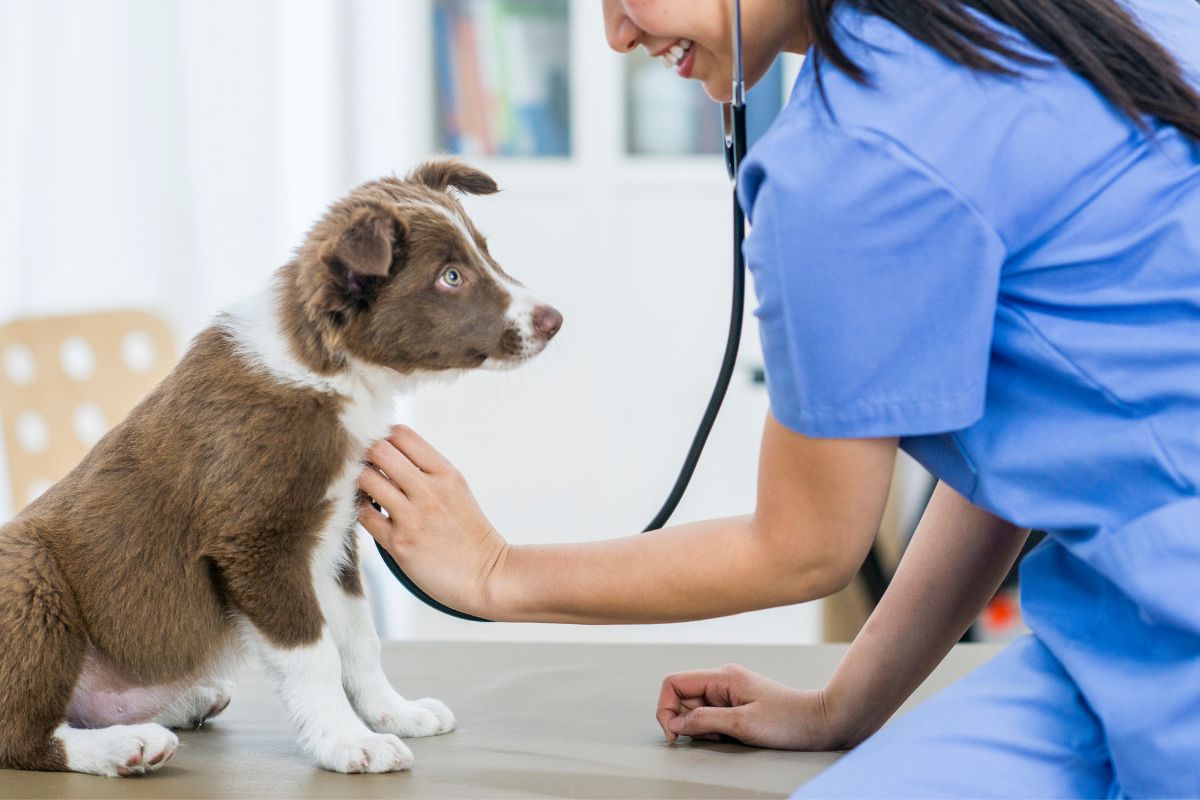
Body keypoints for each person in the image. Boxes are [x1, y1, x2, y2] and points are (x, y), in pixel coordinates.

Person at [358, 0, 1200, 795]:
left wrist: (497, 574)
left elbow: (804, 547)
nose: (617, 35)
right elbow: (1024, 445)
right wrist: (844, 706)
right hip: (1115, 622)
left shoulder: (850, 162)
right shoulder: (1059, 24)